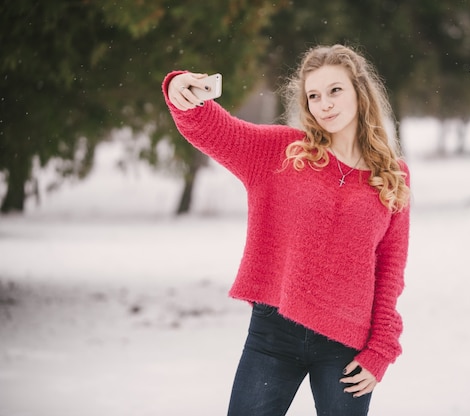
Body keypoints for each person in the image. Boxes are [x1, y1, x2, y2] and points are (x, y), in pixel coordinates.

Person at [162, 44, 411, 416]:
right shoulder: (283, 151)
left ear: (360, 91)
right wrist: (179, 89)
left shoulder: (392, 175)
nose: (324, 104)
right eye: (313, 96)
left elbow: (390, 267)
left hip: (346, 343)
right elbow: (214, 130)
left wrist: (382, 347)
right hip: (274, 334)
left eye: (335, 91)